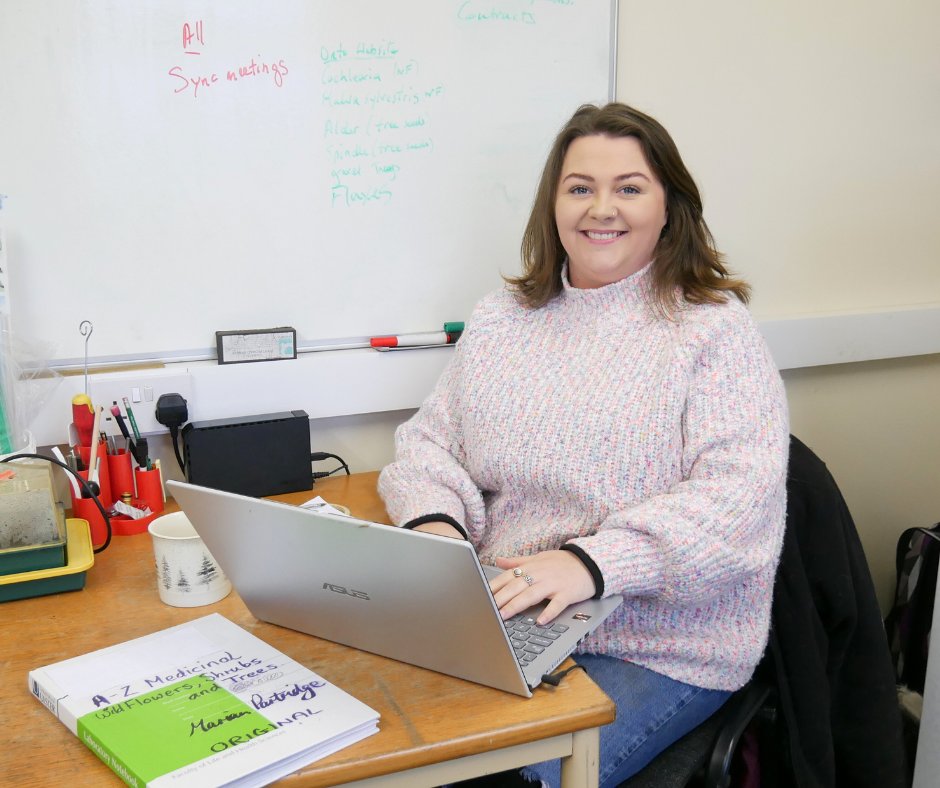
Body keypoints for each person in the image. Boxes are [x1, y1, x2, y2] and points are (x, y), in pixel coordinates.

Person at [378, 102, 789, 787]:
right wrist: (438, 533)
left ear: (669, 208)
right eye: (580, 188)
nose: (602, 208)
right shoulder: (502, 319)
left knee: (500, 776)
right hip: (508, 616)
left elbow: (737, 502)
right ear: (554, 205)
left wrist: (591, 564)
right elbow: (428, 445)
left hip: (658, 645)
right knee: (391, 742)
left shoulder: (713, 329)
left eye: (630, 187)